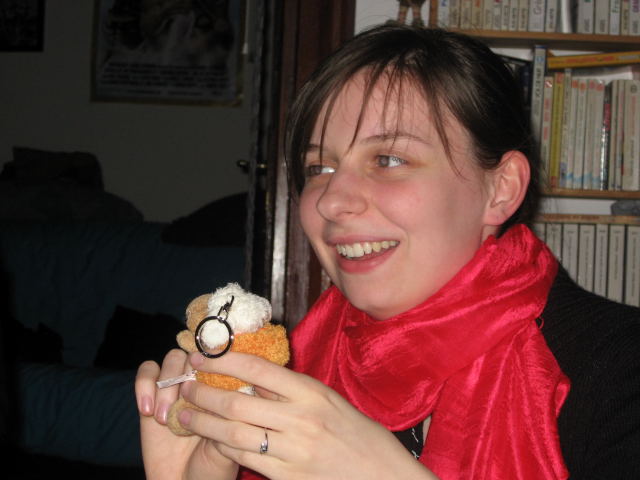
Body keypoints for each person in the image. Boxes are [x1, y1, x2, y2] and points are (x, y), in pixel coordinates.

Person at [135, 24, 640, 479]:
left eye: (389, 159)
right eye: (318, 169)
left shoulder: (619, 371)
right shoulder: (295, 368)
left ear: (501, 188)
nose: (330, 201)